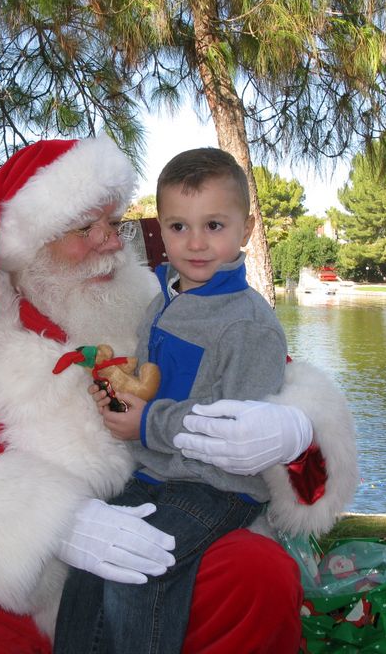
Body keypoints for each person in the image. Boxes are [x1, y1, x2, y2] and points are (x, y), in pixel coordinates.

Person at [0, 136, 358, 653]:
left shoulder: (161, 306)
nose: (110, 242)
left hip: (160, 539)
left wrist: (295, 432)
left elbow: (270, 381)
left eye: (115, 224)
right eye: (85, 227)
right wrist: (54, 524)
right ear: (28, 244)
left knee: (254, 572)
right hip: (12, 583)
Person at [53, 147, 301, 653]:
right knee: (88, 568)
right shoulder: (161, 302)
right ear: (159, 229)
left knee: (139, 570)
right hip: (155, 474)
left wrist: (147, 425)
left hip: (218, 487)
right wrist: (118, 391)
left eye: (214, 225)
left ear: (246, 229)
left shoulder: (249, 325)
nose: (196, 244)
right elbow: (150, 379)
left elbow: (230, 426)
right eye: (178, 227)